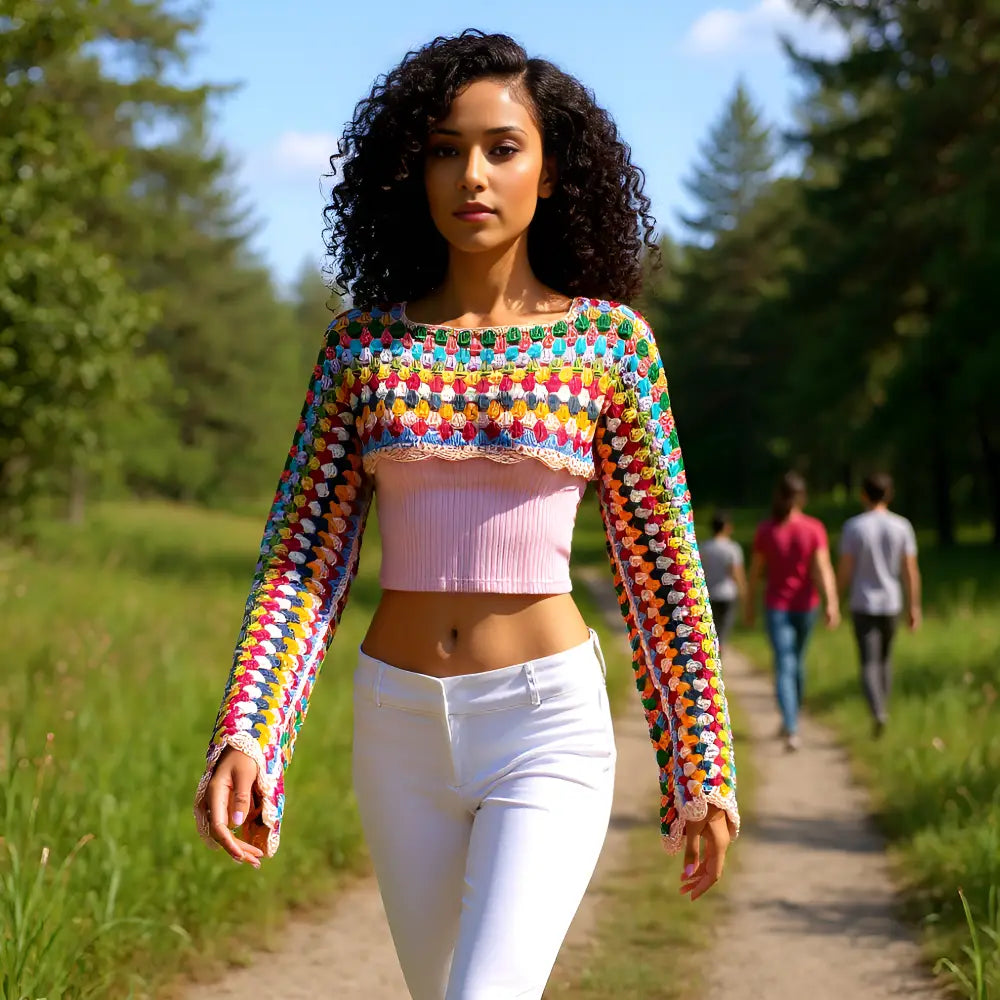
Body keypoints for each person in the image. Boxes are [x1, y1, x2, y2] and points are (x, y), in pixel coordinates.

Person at [191, 31, 739, 1000]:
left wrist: (699, 758)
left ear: (551, 167)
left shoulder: (610, 344)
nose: (470, 174)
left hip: (545, 727)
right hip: (396, 729)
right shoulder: (359, 348)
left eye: (500, 147)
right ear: (414, 168)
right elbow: (302, 561)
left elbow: (661, 567)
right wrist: (248, 731)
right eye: (445, 148)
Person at [746, 472, 839, 751]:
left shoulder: (767, 530)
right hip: (805, 606)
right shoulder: (813, 528)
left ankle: (790, 721)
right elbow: (823, 569)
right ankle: (791, 723)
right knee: (793, 663)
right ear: (802, 497)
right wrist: (831, 602)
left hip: (778, 607)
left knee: (788, 663)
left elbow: (755, 574)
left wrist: (749, 604)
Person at [837, 472, 921, 738]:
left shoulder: (854, 527)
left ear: (863, 494)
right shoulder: (902, 526)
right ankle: (882, 707)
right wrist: (914, 606)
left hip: (863, 602)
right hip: (891, 602)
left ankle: (878, 711)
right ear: (889, 494)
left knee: (868, 662)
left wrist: (835, 599)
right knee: (885, 659)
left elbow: (846, 569)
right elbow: (910, 570)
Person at [701, 510, 746, 646]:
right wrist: (743, 591)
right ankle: (721, 652)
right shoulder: (732, 548)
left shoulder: (704, 547)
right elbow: (736, 572)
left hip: (709, 593)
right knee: (724, 628)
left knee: (711, 628)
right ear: (727, 527)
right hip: (727, 594)